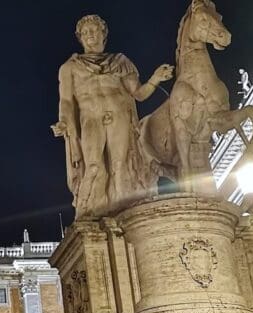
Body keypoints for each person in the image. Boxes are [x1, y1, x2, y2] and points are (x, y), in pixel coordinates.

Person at [52, 14, 173, 218]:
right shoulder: (69, 67)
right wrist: (64, 121)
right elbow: (66, 101)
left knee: (121, 165)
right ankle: (84, 212)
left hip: (119, 115)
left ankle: (123, 214)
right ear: (80, 38)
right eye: (85, 32)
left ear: (103, 34)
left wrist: (155, 79)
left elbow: (138, 94)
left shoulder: (120, 62)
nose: (90, 35)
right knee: (93, 167)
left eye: (94, 30)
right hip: (91, 119)